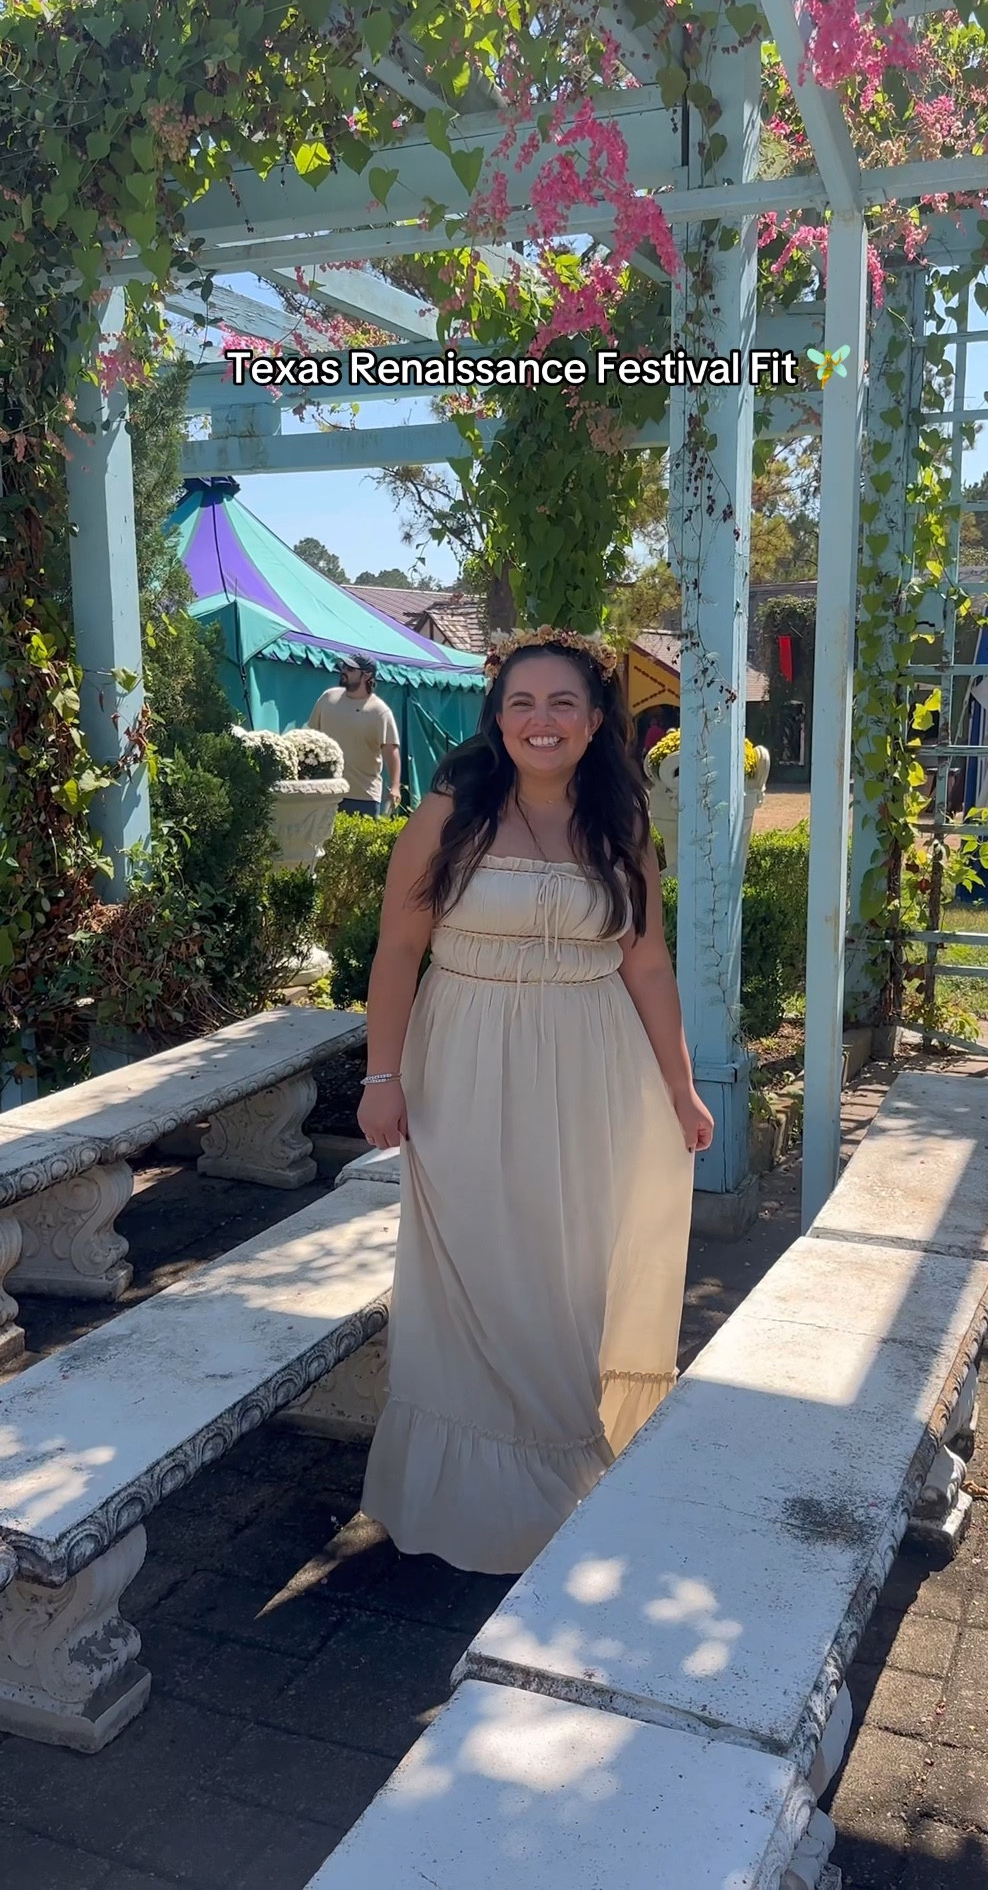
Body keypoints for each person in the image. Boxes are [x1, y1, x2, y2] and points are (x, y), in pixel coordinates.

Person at [355, 627, 714, 1576]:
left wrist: (680, 1088)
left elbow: (645, 961)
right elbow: (398, 951)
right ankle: (480, 1505)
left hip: (594, 1069)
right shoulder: (451, 812)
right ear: (498, 717)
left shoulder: (618, 826)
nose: (540, 721)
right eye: (522, 704)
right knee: (482, 1268)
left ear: (597, 723)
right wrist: (380, 1078)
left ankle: (562, 1480)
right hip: (465, 1063)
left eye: (562, 705)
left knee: (569, 1273)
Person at [307, 654, 401, 816]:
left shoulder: (380, 712)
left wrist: (395, 786)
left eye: (350, 669)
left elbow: (391, 751)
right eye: (343, 667)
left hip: (363, 796)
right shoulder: (327, 698)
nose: (344, 671)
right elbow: (310, 737)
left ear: (367, 675)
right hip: (325, 790)